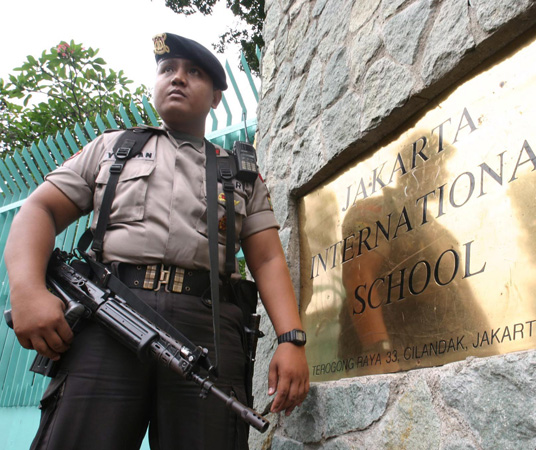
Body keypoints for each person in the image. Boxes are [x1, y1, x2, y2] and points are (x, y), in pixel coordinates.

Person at [5, 33, 309, 450]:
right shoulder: (111, 148)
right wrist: (26, 289)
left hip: (209, 333)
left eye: (194, 72)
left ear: (216, 97)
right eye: (168, 69)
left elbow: (269, 258)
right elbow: (39, 210)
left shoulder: (241, 175)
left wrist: (291, 340)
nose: (177, 78)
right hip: (108, 317)